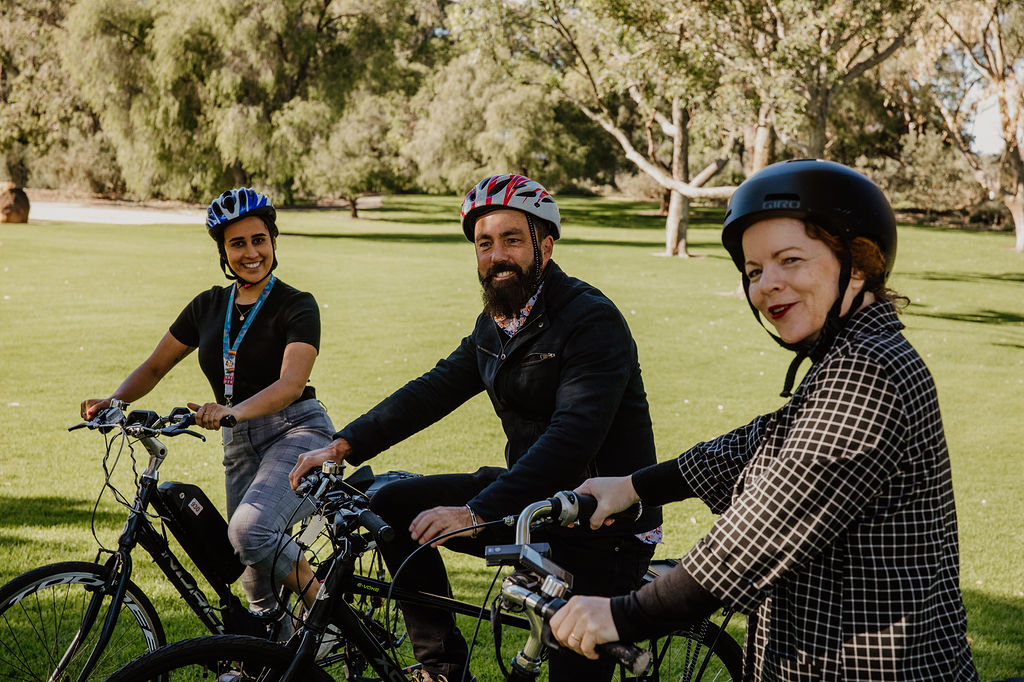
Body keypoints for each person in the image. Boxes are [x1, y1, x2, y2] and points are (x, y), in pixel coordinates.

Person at [550, 160, 979, 681]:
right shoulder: (849, 357)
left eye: (790, 260)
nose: (767, 284)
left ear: (858, 265)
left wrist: (623, 613)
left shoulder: (870, 372)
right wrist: (635, 486)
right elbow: (759, 443)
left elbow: (760, 534)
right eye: (754, 271)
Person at [290, 173, 663, 682]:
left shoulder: (591, 321)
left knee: (570, 662)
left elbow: (573, 439)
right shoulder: (496, 323)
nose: (496, 256)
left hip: (600, 524)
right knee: (393, 505)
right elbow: (435, 388)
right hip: (533, 502)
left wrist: (475, 511)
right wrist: (343, 445)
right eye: (485, 244)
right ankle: (443, 670)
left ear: (545, 246)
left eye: (512, 240)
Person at [80, 188, 334, 615]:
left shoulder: (297, 304)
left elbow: (291, 384)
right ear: (223, 250)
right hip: (238, 443)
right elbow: (155, 367)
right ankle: (275, 662)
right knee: (256, 587)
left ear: (273, 241)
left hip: (297, 431)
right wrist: (114, 400)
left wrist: (232, 410)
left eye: (259, 240)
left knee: (251, 533)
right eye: (238, 243)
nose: (251, 252)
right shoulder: (208, 306)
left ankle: (331, 617)